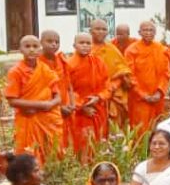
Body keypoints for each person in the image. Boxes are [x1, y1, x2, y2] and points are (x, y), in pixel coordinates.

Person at [5, 35, 63, 163]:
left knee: (53, 154)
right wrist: (40, 105)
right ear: (20, 49)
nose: (31, 49)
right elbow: (12, 100)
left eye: (35, 46)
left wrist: (49, 105)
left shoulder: (46, 70)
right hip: (28, 120)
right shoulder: (16, 72)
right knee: (29, 157)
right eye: (27, 46)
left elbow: (58, 96)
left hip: (48, 119)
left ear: (40, 49)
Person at [67, 32, 111, 160]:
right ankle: (83, 169)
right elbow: (67, 89)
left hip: (98, 108)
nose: (85, 46)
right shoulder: (69, 64)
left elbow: (107, 85)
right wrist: (82, 107)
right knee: (83, 142)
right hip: (79, 112)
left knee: (100, 140)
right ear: (74, 45)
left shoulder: (98, 62)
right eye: (81, 43)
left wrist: (99, 97)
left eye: (88, 43)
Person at [125, 21, 170, 133]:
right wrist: (143, 94)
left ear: (155, 32)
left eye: (151, 30)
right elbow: (129, 76)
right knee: (140, 130)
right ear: (139, 32)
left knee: (158, 128)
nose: (148, 33)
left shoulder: (162, 49)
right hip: (138, 99)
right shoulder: (131, 50)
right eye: (145, 30)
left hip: (157, 98)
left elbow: (166, 73)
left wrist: (159, 92)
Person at [90, 19, 133, 129]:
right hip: (91, 96)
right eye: (97, 29)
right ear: (91, 31)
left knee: (114, 129)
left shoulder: (112, 49)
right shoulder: (86, 48)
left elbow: (122, 72)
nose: (101, 32)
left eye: (104, 29)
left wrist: (112, 87)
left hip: (113, 94)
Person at [39, 30, 76, 150]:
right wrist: (59, 107)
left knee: (65, 144)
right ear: (41, 42)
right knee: (50, 145)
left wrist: (72, 104)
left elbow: (69, 85)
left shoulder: (62, 60)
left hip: (66, 108)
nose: (54, 44)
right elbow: (40, 92)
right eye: (49, 41)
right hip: (48, 111)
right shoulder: (37, 63)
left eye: (57, 42)